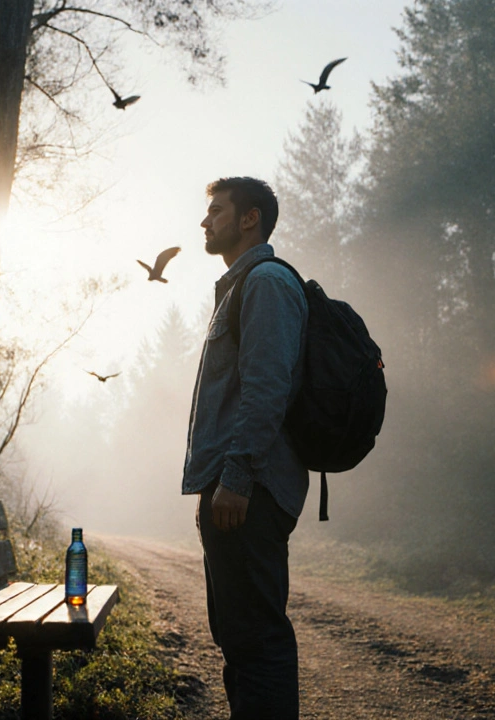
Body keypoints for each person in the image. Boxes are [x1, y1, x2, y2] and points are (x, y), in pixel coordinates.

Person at [183, 176, 309, 720]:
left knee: (257, 642)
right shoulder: (239, 288)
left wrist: (234, 479)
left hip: (250, 490)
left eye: (216, 211)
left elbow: (265, 390)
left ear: (249, 218)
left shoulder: (265, 283)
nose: (205, 221)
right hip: (237, 487)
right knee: (239, 639)